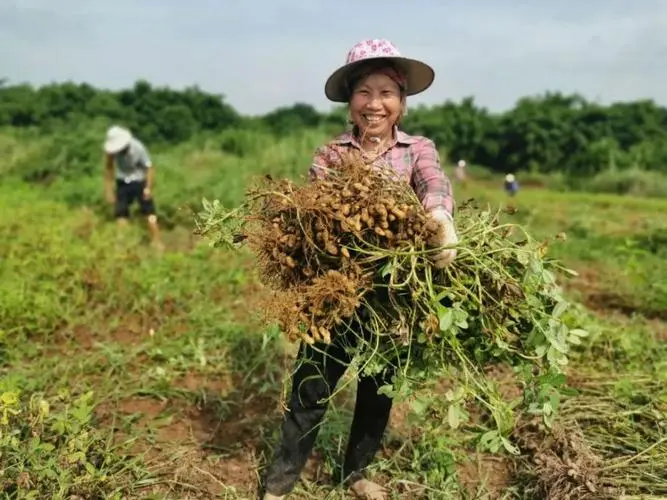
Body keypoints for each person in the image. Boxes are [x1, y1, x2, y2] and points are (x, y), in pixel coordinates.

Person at [261, 38, 458, 500]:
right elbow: (321, 216)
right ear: (350, 103)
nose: (375, 104)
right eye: (364, 92)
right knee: (310, 388)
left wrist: (439, 218)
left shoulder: (418, 148)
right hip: (337, 289)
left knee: (378, 390)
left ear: (402, 103)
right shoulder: (330, 155)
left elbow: (434, 183)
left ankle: (356, 473)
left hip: (393, 295)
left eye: (386, 92)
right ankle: (279, 483)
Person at [103, 125, 163, 248]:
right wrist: (109, 190)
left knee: (149, 213)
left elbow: (149, 168)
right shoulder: (112, 151)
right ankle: (121, 244)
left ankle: (157, 242)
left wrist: (148, 187)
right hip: (122, 182)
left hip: (139, 181)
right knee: (121, 214)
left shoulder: (138, 147)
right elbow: (109, 168)